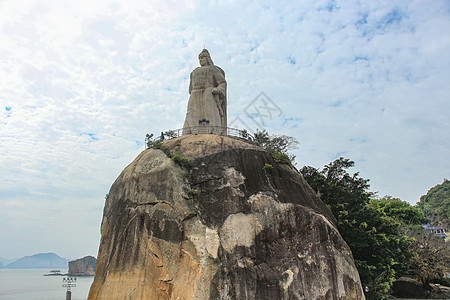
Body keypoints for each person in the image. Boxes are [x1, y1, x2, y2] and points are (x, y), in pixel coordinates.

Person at [183, 49, 227, 135]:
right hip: (195, 94)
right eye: (199, 59)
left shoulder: (213, 69)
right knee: (190, 114)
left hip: (208, 93)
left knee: (210, 113)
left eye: (202, 58)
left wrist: (217, 90)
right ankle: (189, 131)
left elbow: (222, 82)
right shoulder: (194, 72)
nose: (200, 60)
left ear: (207, 58)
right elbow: (190, 88)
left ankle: (214, 131)